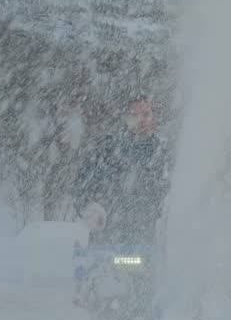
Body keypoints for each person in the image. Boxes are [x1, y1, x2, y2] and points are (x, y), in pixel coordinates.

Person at [72, 95, 172, 246]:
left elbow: (170, 192)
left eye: (146, 114)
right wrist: (90, 209)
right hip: (106, 240)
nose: (141, 120)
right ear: (127, 118)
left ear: (154, 117)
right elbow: (83, 184)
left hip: (146, 241)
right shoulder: (109, 149)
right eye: (135, 115)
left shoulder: (162, 153)